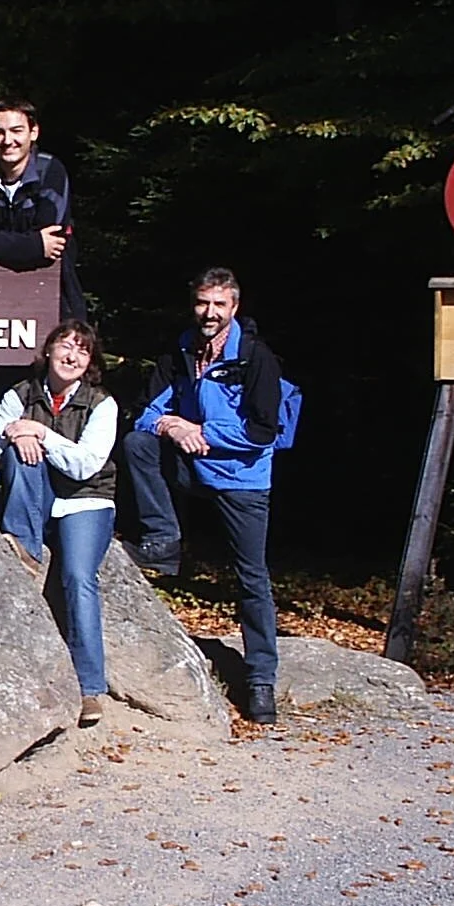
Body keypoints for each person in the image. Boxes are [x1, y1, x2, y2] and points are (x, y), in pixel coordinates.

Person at [123, 267, 282, 725]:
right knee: (139, 444)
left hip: (241, 477)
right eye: (202, 303)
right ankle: (162, 541)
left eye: (219, 305)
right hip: (191, 463)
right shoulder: (182, 350)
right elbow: (146, 412)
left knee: (252, 577)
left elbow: (262, 431)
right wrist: (170, 425)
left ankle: (261, 679)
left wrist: (202, 431)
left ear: (234, 307)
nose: (209, 313)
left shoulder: (255, 358)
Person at [0, 321, 116, 727]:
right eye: (65, 346)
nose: (72, 356)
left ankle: (89, 688)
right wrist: (12, 435)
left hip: (85, 500)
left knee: (78, 578)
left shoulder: (101, 404)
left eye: (82, 351)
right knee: (17, 448)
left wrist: (39, 433)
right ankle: (25, 547)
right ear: (49, 350)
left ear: (90, 362)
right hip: (37, 498)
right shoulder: (19, 394)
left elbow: (86, 465)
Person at [0, 97, 88, 320]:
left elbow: (52, 243)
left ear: (33, 133)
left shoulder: (50, 171)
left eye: (17, 131)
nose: (8, 141)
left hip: (52, 298)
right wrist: (34, 245)